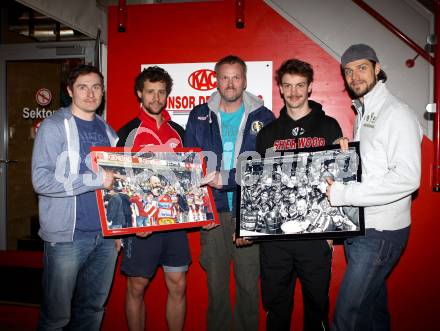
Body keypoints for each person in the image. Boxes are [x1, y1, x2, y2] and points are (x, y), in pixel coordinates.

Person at [326, 44, 422, 331]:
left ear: (377, 69)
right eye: (348, 71)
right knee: (372, 315)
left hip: (380, 233)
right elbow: (373, 167)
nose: (354, 76)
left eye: (362, 68)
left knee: (347, 320)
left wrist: (345, 194)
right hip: (363, 228)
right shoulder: (364, 113)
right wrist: (346, 154)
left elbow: (407, 178)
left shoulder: (396, 113)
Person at [184, 55, 274, 331]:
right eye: (224, 77)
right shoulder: (199, 115)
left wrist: (225, 179)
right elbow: (190, 166)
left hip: (248, 213)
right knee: (217, 290)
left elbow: (265, 169)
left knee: (249, 288)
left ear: (245, 80)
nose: (230, 83)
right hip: (214, 215)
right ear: (216, 80)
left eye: (236, 77)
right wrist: (204, 211)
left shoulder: (264, 117)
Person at [255, 58, 343, 331]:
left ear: (310, 87)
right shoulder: (267, 133)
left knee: (317, 309)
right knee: (276, 307)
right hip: (275, 239)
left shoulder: (329, 127)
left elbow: (338, 179)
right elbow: (257, 184)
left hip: (315, 235)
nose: (293, 92)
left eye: (300, 85)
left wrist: (331, 233)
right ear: (280, 88)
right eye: (288, 86)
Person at [32, 64, 119, 330]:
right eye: (83, 87)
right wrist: (93, 180)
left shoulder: (108, 131)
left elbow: (115, 186)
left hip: (104, 238)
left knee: (92, 310)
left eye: (96, 87)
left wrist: (119, 233)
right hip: (67, 238)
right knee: (56, 318)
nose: (90, 93)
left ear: (103, 92)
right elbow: (41, 180)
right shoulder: (54, 126)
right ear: (70, 91)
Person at [117, 66, 190, 331]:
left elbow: (189, 178)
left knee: (178, 283)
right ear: (140, 93)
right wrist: (129, 226)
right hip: (142, 224)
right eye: (150, 92)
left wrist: (201, 210)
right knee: (136, 286)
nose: (156, 98)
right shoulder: (127, 132)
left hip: (174, 224)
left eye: (161, 92)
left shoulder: (179, 131)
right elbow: (117, 183)